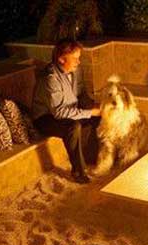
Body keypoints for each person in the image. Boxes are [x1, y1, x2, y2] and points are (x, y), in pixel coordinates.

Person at [32, 38, 100, 183]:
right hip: (47, 118)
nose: (78, 62)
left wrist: (94, 107)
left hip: (69, 110)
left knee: (98, 118)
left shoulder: (76, 71)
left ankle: (92, 157)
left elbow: (81, 93)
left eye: (79, 58)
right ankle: (78, 172)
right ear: (61, 59)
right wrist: (89, 112)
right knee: (73, 127)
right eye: (75, 58)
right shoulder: (50, 79)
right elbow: (60, 113)